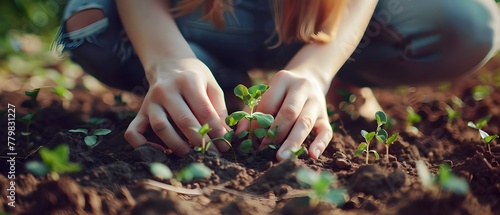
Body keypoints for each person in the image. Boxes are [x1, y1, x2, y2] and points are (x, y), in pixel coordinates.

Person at [55, 0, 499, 161]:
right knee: (86, 23)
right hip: (195, 14)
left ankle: (322, 86)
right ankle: (217, 93)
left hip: (323, 18)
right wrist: (167, 61)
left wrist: (316, 70)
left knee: (471, 24)